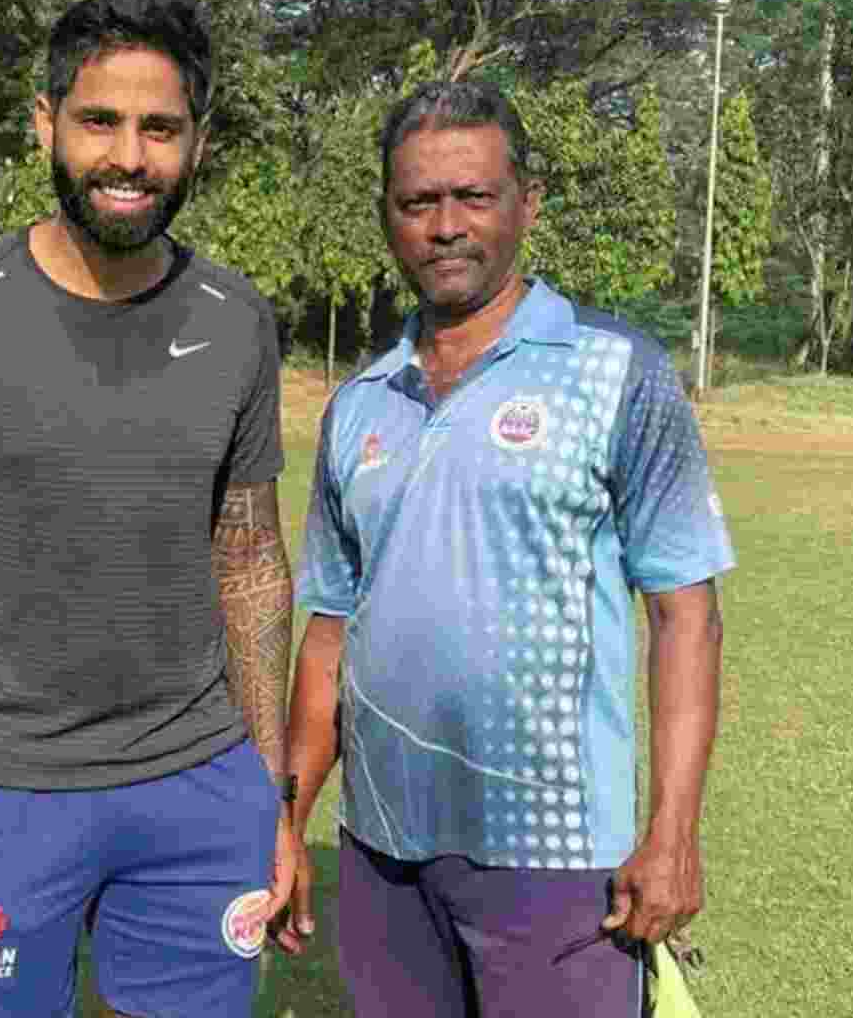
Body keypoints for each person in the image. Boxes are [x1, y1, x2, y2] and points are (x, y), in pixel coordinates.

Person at [0, 0, 301, 1018]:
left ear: (197, 143)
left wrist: (269, 794)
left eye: (160, 128)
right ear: (47, 125)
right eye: (101, 121)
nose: (130, 156)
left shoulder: (237, 319)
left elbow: (251, 559)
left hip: (198, 788)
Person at [274, 79, 734, 1017]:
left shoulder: (617, 374)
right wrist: (288, 821)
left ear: (527, 204)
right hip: (383, 850)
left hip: (557, 854)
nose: (446, 225)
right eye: (418, 202)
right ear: (388, 217)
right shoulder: (361, 400)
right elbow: (329, 630)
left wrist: (673, 833)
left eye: (473, 197)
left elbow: (687, 613)